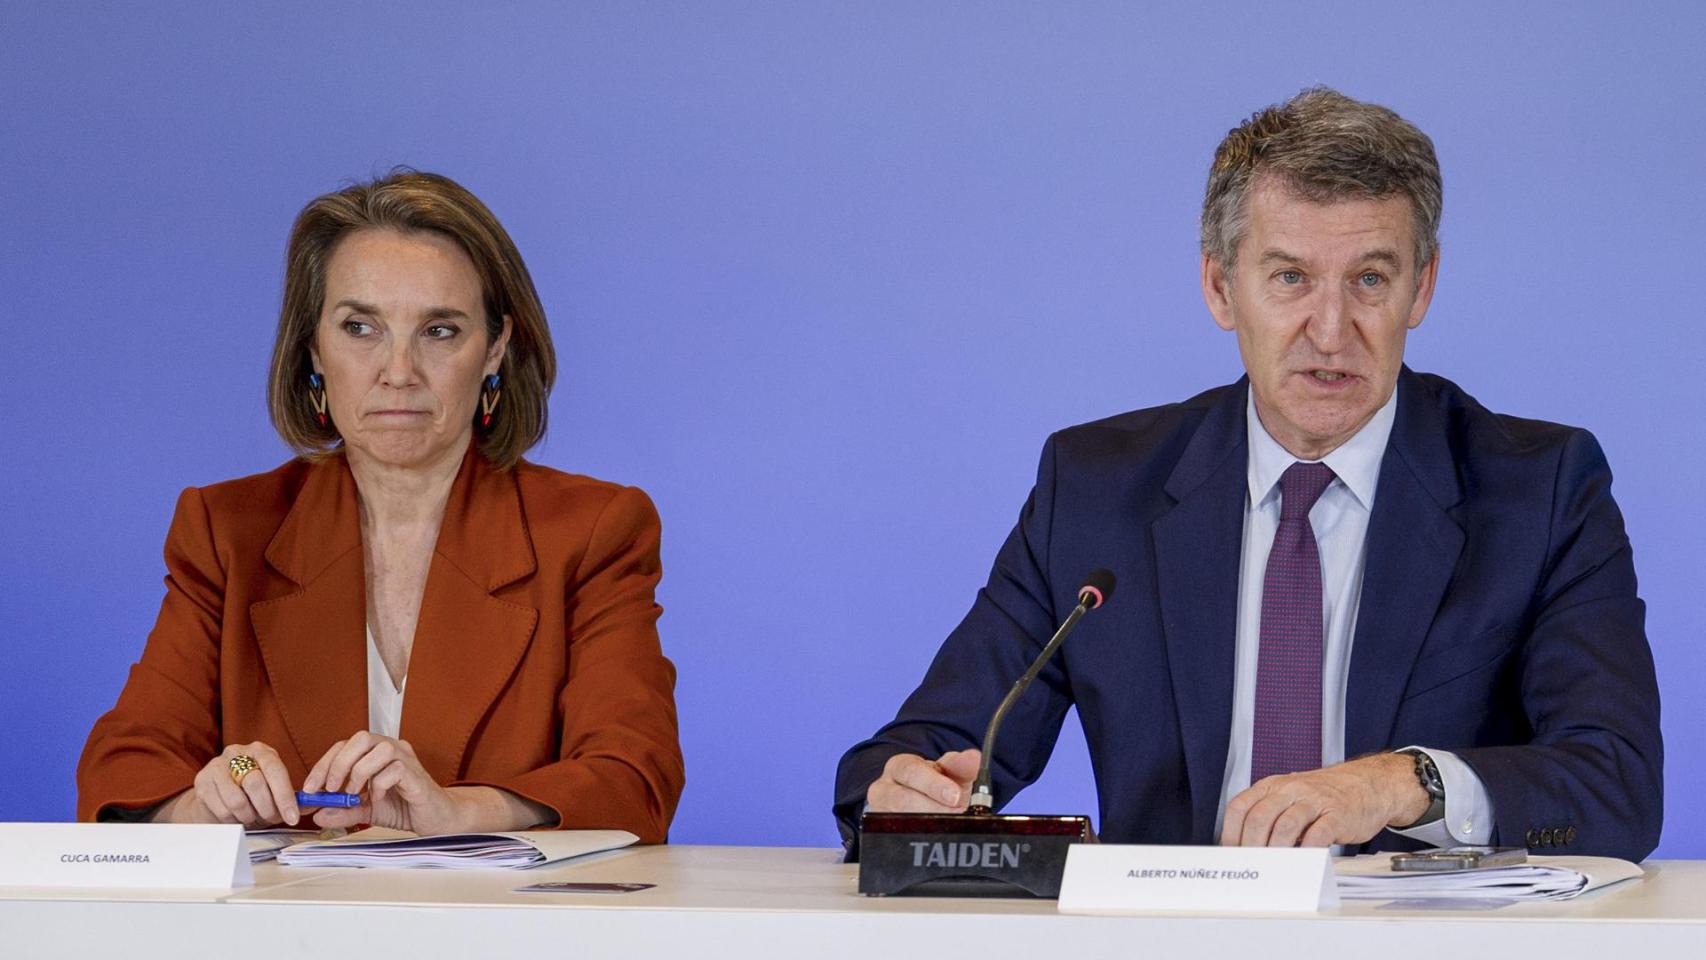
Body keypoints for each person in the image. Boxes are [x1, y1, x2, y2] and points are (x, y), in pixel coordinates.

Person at [834, 88, 1663, 861]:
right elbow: (916, 755)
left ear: (1423, 288)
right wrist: (910, 794)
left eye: (1370, 279)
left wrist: (1404, 782)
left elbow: (1618, 783)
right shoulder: (1093, 488)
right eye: (1290, 277)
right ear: (1220, 287)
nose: (1331, 330)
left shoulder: (1540, 490)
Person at [78, 171, 685, 842]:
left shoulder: (591, 531)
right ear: (312, 347)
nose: (399, 371)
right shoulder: (227, 532)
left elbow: (636, 777)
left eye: (440, 331)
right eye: (360, 327)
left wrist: (461, 812)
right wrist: (223, 787)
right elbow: (123, 769)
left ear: (497, 348)